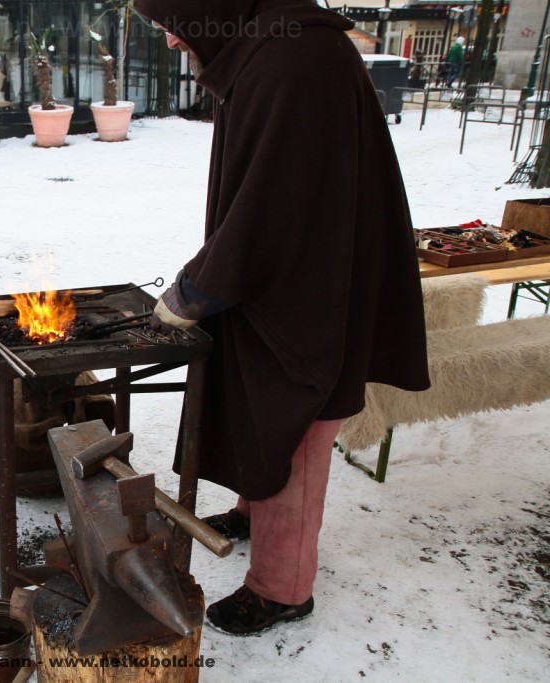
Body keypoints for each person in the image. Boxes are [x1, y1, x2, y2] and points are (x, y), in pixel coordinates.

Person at [134, 0, 430, 635]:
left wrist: (194, 289)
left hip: (309, 294)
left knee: (290, 421)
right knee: (257, 403)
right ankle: (253, 510)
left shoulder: (295, 58)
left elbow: (272, 208)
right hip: (293, 276)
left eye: (172, 25)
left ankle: (282, 589)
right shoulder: (272, 45)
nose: (173, 42)